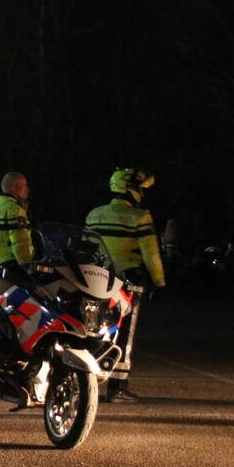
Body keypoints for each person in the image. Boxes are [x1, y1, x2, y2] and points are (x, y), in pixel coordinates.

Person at [86, 168, 166, 402]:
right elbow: (151, 254)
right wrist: (159, 282)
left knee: (93, 329)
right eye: (140, 188)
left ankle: (84, 378)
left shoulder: (94, 215)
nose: (142, 193)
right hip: (129, 284)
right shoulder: (140, 217)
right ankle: (117, 387)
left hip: (96, 280)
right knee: (123, 334)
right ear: (130, 189)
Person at [0, 172, 34, 280]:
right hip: (12, 268)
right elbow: (20, 242)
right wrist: (28, 265)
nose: (28, 190)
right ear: (14, 187)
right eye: (25, 186)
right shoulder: (15, 210)